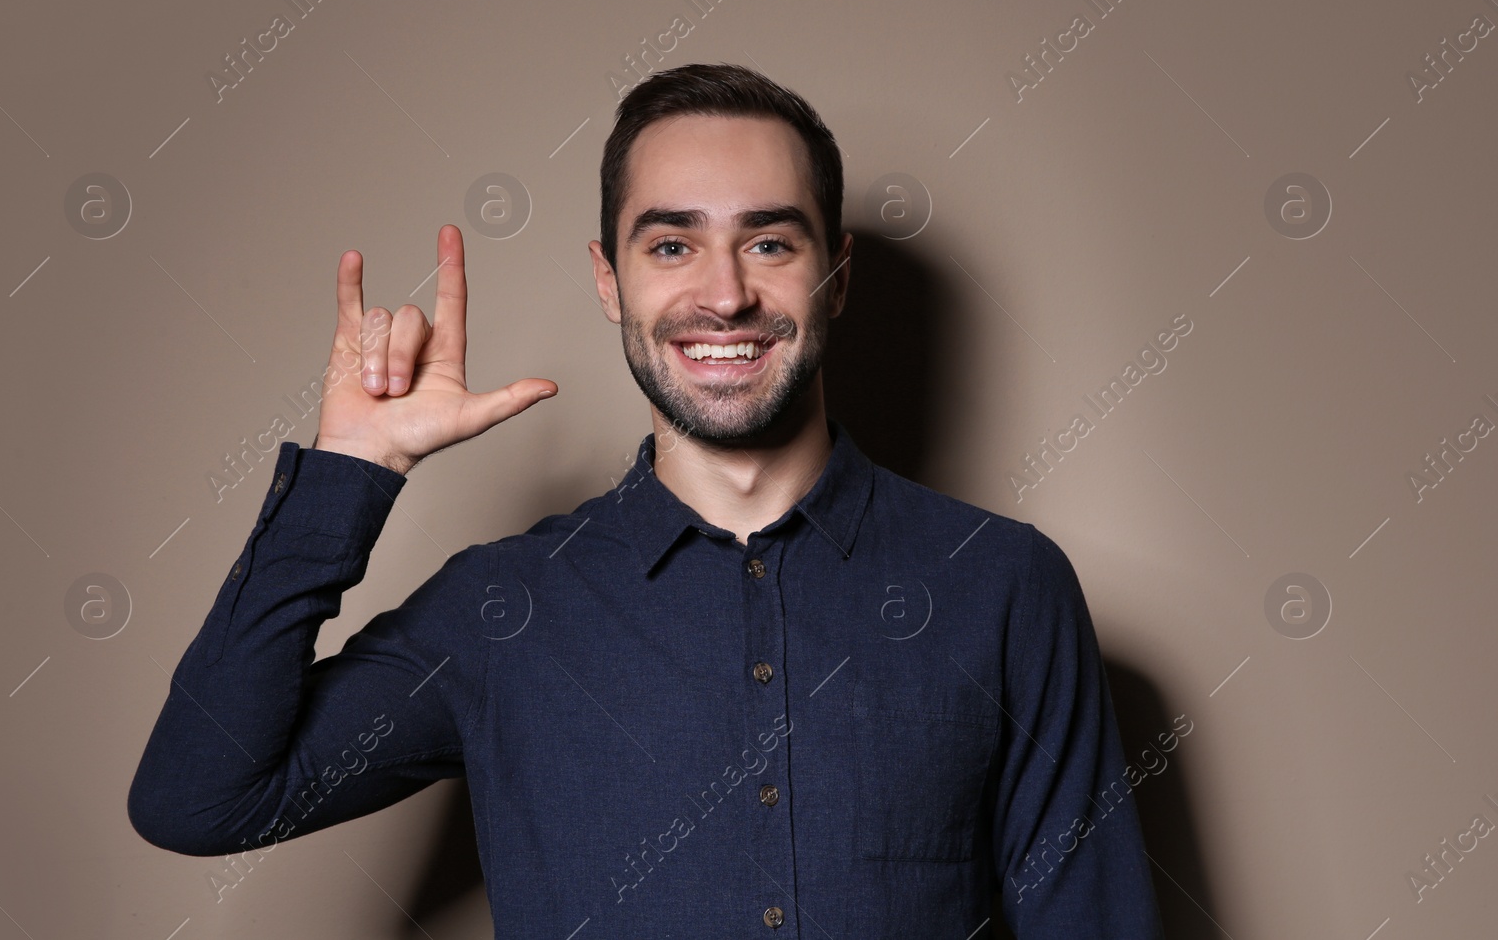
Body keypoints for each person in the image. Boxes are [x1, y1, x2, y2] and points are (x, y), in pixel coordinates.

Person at [129, 62, 1166, 937]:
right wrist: (351, 470)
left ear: (835, 278)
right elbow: (200, 795)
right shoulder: (501, 610)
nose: (723, 293)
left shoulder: (1002, 584)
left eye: (770, 241)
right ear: (608, 279)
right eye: (671, 244)